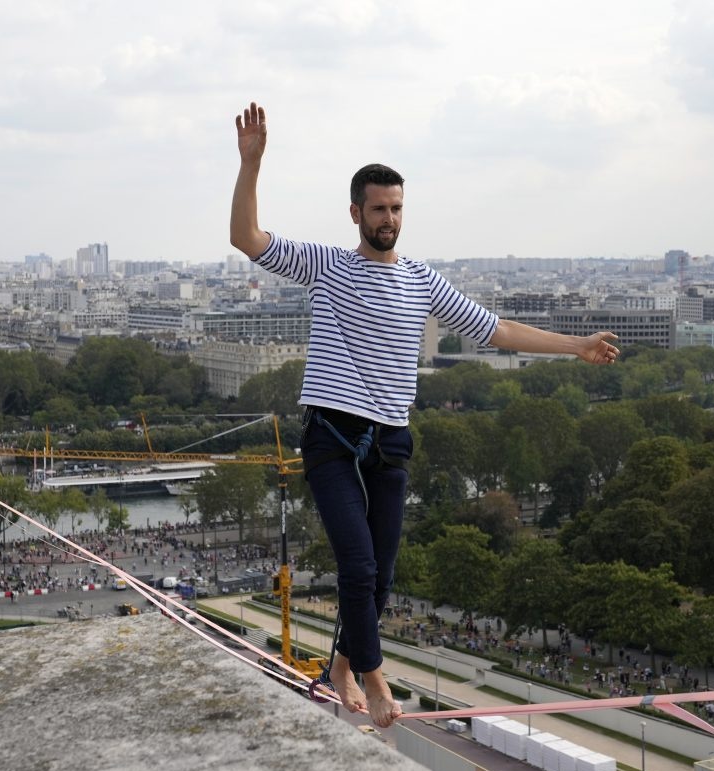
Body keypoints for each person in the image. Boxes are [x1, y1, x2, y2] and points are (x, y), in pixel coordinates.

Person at [229, 101, 619, 728]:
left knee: (379, 580)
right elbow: (246, 239)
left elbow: (497, 331)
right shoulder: (328, 265)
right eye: (379, 209)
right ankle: (375, 678)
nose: (390, 219)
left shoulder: (421, 280)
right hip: (331, 435)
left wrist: (574, 347)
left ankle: (341, 667)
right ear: (356, 213)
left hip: (391, 442)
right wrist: (251, 165)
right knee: (355, 565)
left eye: (397, 208)